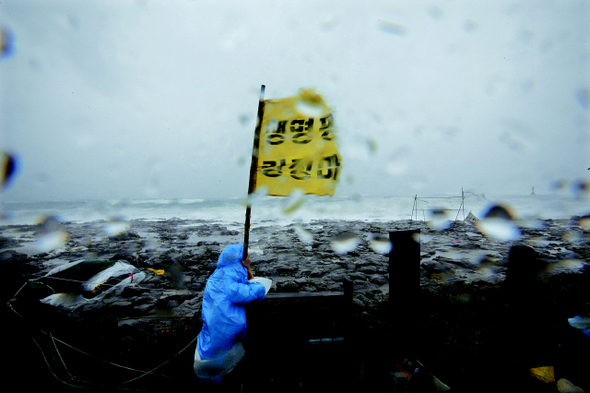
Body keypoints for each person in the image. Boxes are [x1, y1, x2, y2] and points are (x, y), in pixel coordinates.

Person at [194, 243, 266, 384]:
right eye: (248, 258)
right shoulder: (232, 279)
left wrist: (246, 268)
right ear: (240, 261)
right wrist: (257, 282)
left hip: (207, 343)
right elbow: (253, 291)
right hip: (226, 342)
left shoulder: (214, 278)